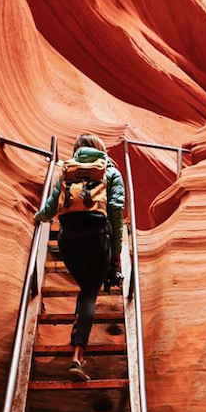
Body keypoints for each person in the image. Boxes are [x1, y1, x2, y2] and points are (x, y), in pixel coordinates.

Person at [33, 134, 125, 379]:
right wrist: (116, 252)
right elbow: (116, 212)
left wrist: (38, 217)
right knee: (88, 294)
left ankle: (76, 334)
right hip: (96, 239)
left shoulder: (66, 170)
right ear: (100, 150)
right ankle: (77, 357)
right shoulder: (110, 172)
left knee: (85, 287)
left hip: (67, 240)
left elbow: (51, 206)